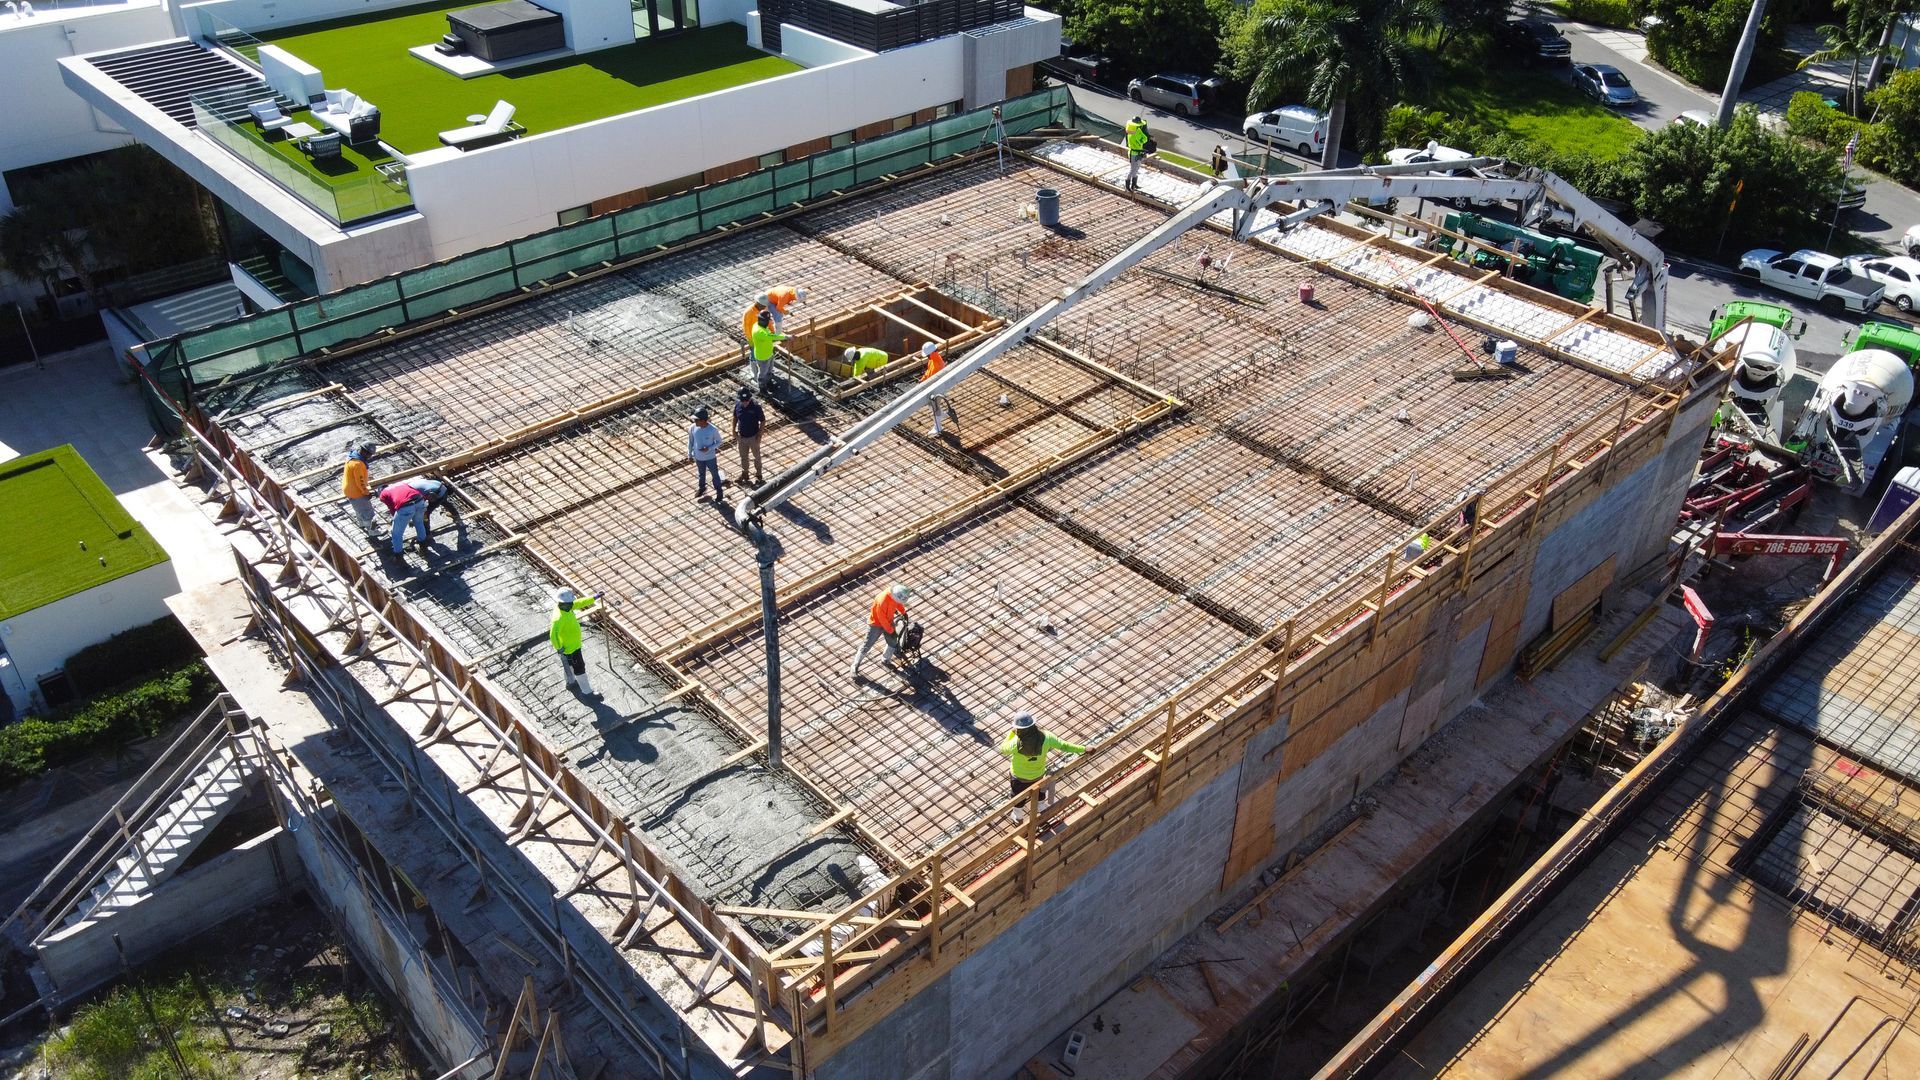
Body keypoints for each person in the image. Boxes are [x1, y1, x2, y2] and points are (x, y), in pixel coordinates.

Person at [997, 711, 1087, 805]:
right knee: (1039, 792)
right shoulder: (1047, 737)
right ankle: (1040, 806)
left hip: (1019, 778)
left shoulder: (1015, 743)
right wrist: (1083, 749)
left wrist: (1012, 733)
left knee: (1018, 797)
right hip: (1038, 775)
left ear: (1018, 728)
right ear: (1033, 724)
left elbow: (1002, 749)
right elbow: (1064, 746)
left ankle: (1018, 815)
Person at [850, 582, 912, 681]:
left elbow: (898, 603)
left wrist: (903, 612)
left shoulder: (895, 595)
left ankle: (885, 660)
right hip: (876, 624)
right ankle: (854, 666)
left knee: (892, 642)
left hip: (889, 621)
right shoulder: (882, 600)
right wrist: (890, 630)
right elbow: (881, 619)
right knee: (867, 644)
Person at [549, 587, 600, 697]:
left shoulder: (566, 607)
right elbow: (553, 635)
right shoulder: (558, 618)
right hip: (570, 648)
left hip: (574, 645)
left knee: (569, 666)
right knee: (579, 668)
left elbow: (578, 603)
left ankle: (570, 683)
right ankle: (587, 692)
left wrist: (593, 598)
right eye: (570, 603)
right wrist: (559, 647)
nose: (572, 604)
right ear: (563, 603)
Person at [377, 481, 428, 558]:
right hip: (420, 501)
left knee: (396, 533)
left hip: (405, 507)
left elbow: (392, 508)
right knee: (419, 522)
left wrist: (396, 520)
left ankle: (398, 555)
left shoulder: (383, 494)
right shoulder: (401, 483)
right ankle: (423, 544)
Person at [409, 476, 461, 550]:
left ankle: (427, 534)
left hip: (437, 491)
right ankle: (455, 514)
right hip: (439, 487)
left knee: (425, 513)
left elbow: (420, 503)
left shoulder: (412, 492)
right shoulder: (410, 487)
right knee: (443, 501)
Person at [920, 342, 957, 437]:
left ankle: (938, 427)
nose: (926, 357)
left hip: (937, 388)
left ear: (930, 353)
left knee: (934, 407)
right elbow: (928, 372)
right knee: (932, 406)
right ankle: (944, 414)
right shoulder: (932, 360)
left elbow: (933, 378)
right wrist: (923, 380)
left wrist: (925, 384)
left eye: (927, 355)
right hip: (934, 387)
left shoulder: (938, 364)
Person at [732, 386, 766, 486]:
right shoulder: (738, 405)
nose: (745, 402)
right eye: (743, 401)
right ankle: (745, 474)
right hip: (741, 437)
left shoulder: (756, 407)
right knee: (743, 457)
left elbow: (763, 421)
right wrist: (733, 430)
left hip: (753, 437)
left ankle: (759, 474)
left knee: (757, 457)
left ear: (750, 398)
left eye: (747, 400)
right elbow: (735, 417)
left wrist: (759, 434)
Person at [341, 441, 376, 537]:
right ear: (364, 452)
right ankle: (373, 531)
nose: (370, 457)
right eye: (369, 454)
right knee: (367, 511)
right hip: (356, 492)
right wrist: (366, 493)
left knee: (358, 509)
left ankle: (362, 524)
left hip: (349, 489)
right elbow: (360, 482)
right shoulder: (358, 464)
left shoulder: (352, 456)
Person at [689, 407, 724, 500]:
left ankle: (719, 491)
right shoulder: (693, 428)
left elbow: (719, 441)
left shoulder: (713, 430)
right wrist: (690, 454)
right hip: (699, 457)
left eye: (696, 420)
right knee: (701, 474)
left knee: (715, 475)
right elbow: (691, 441)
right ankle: (702, 488)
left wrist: (709, 448)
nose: (695, 421)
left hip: (710, 457)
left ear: (703, 420)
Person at [749, 310, 789, 393]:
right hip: (762, 357)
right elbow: (772, 336)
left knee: (769, 370)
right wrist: (786, 337)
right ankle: (762, 387)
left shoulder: (759, 326)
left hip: (769, 353)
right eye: (767, 321)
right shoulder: (759, 332)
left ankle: (768, 382)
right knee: (762, 373)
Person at [1124, 115, 1149, 192]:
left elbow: (1144, 139)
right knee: (1132, 170)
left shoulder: (1137, 132)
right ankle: (1127, 186)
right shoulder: (1132, 135)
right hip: (1134, 153)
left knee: (1137, 168)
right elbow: (1143, 140)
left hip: (1138, 152)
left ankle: (1134, 184)